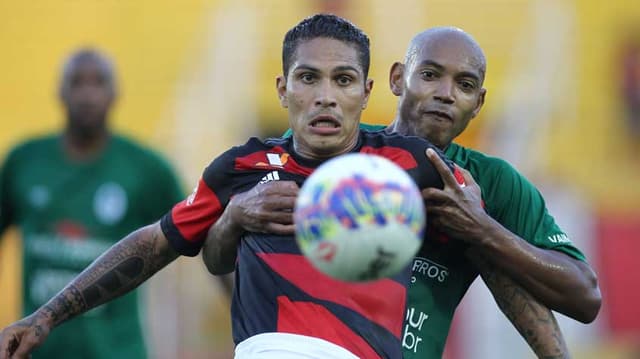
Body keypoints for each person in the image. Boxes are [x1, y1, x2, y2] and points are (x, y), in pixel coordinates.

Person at [0, 15, 458, 359]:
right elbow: (157, 243)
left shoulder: (410, 165)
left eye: (343, 80)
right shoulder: (243, 167)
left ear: (366, 90)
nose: (325, 96)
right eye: (307, 78)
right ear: (282, 89)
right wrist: (46, 316)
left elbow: (485, 237)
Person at [203, 27, 602, 358]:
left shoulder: (490, 182)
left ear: (478, 103)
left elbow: (583, 296)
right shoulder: (328, 151)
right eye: (429, 75)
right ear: (397, 79)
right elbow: (228, 250)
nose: (445, 93)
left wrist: (482, 230)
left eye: (464, 85)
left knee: (490, 248)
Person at [0, 49, 184, 359]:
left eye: (98, 83)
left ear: (114, 94)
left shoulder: (147, 169)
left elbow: (202, 231)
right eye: (76, 83)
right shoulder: (23, 161)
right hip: (40, 351)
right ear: (60, 92)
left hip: (118, 351)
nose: (87, 94)